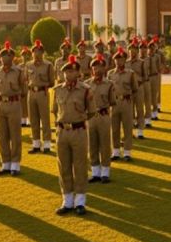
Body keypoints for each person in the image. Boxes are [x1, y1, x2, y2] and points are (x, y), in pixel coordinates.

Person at [52, 55, 92, 215]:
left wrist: (78, 122)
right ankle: (67, 200)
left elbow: (91, 111)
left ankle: (80, 201)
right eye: (66, 71)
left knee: (80, 165)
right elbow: (55, 111)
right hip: (62, 131)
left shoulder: (85, 90)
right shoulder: (57, 90)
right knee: (64, 166)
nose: (68, 74)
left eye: (71, 71)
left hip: (78, 131)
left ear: (78, 73)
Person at [0, 41, 26, 176]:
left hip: (14, 104)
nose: (5, 58)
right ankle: (5, 163)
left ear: (12, 57)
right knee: (2, 135)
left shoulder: (18, 71)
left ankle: (15, 164)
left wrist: (13, 98)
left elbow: (23, 90)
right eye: (3, 56)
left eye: (8, 56)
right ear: (0, 58)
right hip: (0, 105)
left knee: (15, 135)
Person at [88, 53, 115, 184]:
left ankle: (105, 172)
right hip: (91, 117)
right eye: (95, 67)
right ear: (92, 69)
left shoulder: (109, 84)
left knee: (104, 144)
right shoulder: (86, 85)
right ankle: (95, 172)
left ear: (104, 69)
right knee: (92, 145)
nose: (97, 70)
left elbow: (112, 101)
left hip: (104, 115)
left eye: (99, 67)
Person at [25, 39, 55, 154]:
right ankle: (36, 144)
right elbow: (26, 79)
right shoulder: (28, 65)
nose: (36, 54)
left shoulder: (48, 65)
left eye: (39, 51)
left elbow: (52, 81)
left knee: (45, 118)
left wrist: (43, 84)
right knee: (33, 119)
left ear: (43, 53)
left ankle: (47, 144)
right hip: (31, 93)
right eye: (34, 51)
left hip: (42, 92)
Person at [109, 46, 137, 161]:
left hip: (126, 101)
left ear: (125, 60)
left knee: (127, 127)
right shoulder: (110, 74)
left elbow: (135, 89)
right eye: (116, 59)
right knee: (114, 128)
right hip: (114, 102)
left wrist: (130, 101)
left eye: (120, 59)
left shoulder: (130, 73)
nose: (118, 61)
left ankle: (127, 152)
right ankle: (115, 151)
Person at [126, 39, 147, 138]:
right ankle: (130, 130)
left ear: (137, 51)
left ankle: (140, 131)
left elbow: (145, 76)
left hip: (138, 88)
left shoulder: (142, 62)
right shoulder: (126, 63)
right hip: (129, 89)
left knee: (139, 109)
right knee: (129, 110)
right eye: (130, 50)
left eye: (134, 50)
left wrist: (138, 82)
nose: (132, 52)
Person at [17, 46, 32, 127]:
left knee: (30, 105)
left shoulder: (32, 65)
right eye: (23, 55)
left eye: (27, 55)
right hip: (22, 88)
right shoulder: (19, 66)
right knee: (22, 104)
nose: (25, 56)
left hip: (30, 88)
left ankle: (30, 120)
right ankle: (23, 119)